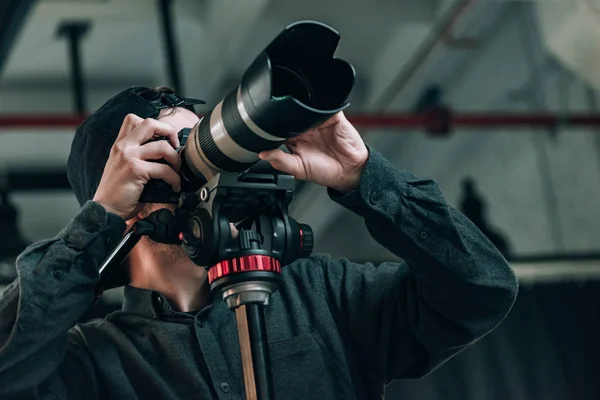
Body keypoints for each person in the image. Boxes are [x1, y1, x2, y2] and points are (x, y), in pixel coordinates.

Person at [0, 86, 518, 400]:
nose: (207, 172)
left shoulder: (323, 295)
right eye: (175, 155)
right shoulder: (92, 361)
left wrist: (364, 176)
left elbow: (482, 286)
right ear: (127, 190)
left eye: (204, 146)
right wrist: (100, 220)